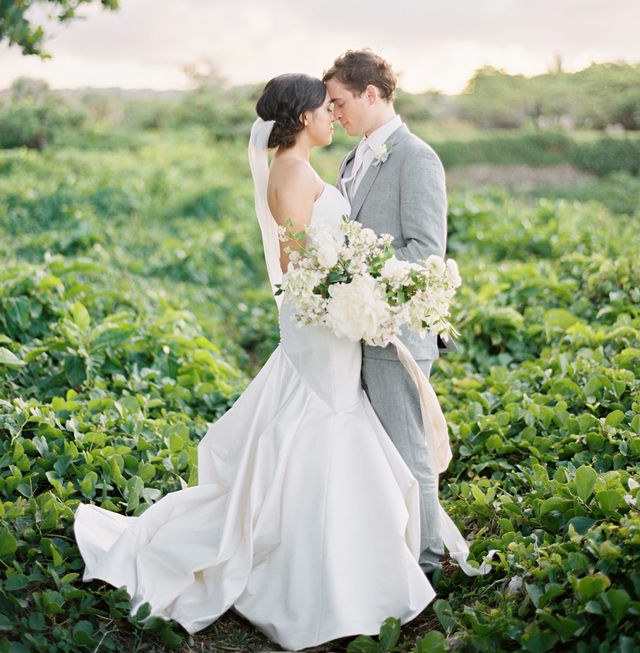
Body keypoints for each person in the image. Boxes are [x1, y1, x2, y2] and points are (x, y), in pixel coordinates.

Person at [73, 73, 437, 652]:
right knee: (320, 429)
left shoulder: (304, 168)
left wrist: (364, 288)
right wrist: (353, 295)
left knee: (329, 430)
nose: (331, 118)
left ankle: (350, 567)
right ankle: (319, 582)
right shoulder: (291, 173)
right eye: (324, 109)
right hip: (323, 325)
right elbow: (299, 269)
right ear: (299, 119)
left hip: (333, 324)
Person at [324, 49, 448, 577]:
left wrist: (355, 275)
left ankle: (427, 561)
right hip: (358, 330)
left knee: (408, 450)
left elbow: (425, 252)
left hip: (396, 331)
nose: (334, 114)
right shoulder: (353, 159)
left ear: (371, 93)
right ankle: (388, 556)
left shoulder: (415, 157)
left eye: (339, 102)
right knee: (374, 455)